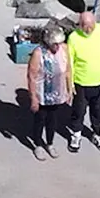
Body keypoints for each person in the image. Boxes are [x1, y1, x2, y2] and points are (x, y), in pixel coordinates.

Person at [66, 7, 100, 152]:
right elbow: (69, 63)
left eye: (91, 26)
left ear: (96, 22)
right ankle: (76, 135)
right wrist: (70, 85)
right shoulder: (73, 38)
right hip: (81, 83)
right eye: (85, 26)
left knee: (99, 112)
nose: (88, 29)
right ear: (79, 25)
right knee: (78, 111)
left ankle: (97, 134)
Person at [26, 26, 72, 161]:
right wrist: (33, 98)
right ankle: (38, 144)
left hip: (57, 92)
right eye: (54, 44)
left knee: (53, 118)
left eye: (59, 43)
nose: (57, 46)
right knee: (40, 118)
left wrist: (69, 90)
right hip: (42, 93)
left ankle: (50, 143)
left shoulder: (64, 49)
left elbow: (68, 70)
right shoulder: (38, 53)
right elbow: (31, 76)